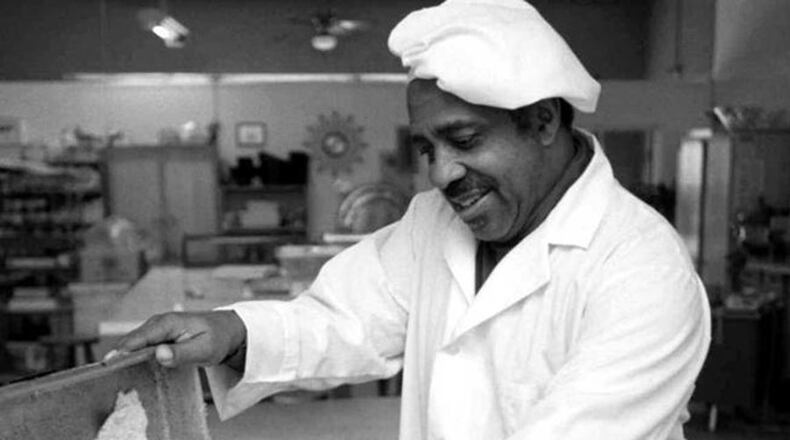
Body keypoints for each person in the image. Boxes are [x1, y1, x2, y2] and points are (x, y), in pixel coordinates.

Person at [111, 0, 711, 438]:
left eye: (465, 140)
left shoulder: (641, 271)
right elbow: (345, 322)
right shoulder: (432, 226)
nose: (440, 174)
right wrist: (231, 333)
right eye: (427, 148)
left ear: (544, 121)